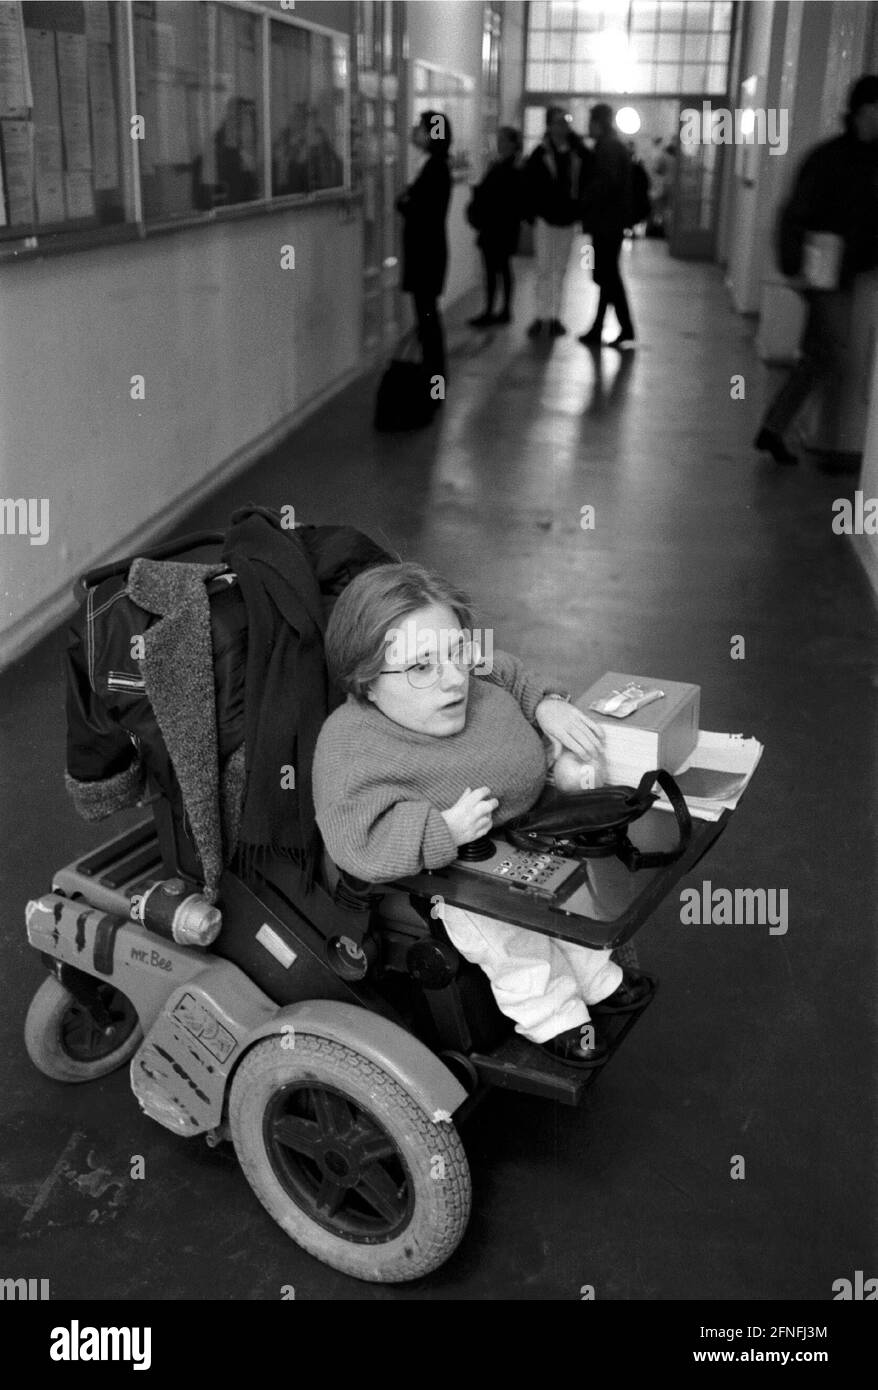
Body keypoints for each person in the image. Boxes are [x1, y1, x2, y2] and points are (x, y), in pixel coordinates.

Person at [313, 562, 652, 1069]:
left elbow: (507, 670)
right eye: (422, 668)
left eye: (457, 652)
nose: (454, 680)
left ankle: (596, 978)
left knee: (567, 906)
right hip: (447, 878)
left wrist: (545, 705)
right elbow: (355, 841)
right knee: (510, 936)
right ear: (366, 682)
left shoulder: (470, 670)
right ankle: (552, 1016)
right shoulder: (349, 748)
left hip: (522, 836)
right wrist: (440, 831)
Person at [754, 74, 878, 466]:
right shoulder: (830, 158)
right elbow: (795, 214)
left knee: (818, 355)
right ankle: (822, 441)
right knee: (834, 353)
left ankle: (775, 429)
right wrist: (794, 266)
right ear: (861, 111)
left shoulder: (858, 158)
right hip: (824, 273)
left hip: (843, 271)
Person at [396, 110, 452, 388]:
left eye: (421, 127)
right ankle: (434, 372)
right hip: (427, 252)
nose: (415, 131)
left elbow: (422, 210)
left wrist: (404, 203)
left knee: (427, 315)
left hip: (426, 255)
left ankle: (435, 375)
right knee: (427, 314)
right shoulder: (431, 165)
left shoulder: (435, 168)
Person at [523, 106, 590, 338]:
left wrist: (579, 209)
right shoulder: (540, 153)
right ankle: (541, 317)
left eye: (566, 122)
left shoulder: (577, 152)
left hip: (568, 219)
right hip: (545, 218)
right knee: (543, 268)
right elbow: (529, 184)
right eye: (559, 122)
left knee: (560, 270)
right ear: (550, 125)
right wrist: (532, 213)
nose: (563, 126)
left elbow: (586, 178)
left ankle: (554, 318)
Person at [579, 103, 636, 350]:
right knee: (606, 275)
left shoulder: (609, 147)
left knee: (607, 275)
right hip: (609, 221)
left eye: (590, 122)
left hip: (606, 222)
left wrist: (585, 198)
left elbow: (606, 183)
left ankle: (625, 327)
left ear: (598, 123)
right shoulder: (610, 145)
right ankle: (599, 326)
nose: (587, 127)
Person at [467, 126, 524, 327]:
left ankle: (496, 310)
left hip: (499, 226)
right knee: (498, 269)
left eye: (501, 140)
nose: (498, 144)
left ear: (511, 143)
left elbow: (503, 197)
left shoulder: (511, 168)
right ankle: (497, 309)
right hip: (499, 226)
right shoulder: (501, 166)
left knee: (496, 269)